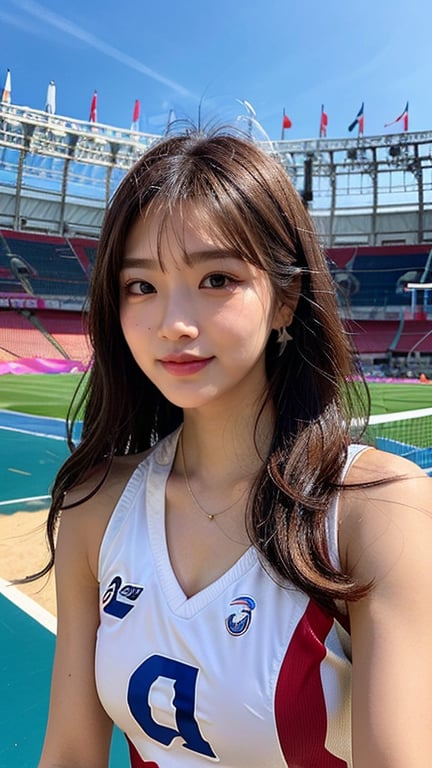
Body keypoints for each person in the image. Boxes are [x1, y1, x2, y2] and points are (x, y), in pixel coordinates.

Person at [35, 128, 432, 768]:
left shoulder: (376, 511)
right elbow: (71, 752)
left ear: (285, 299)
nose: (174, 323)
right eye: (142, 286)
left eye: (216, 278)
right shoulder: (96, 508)